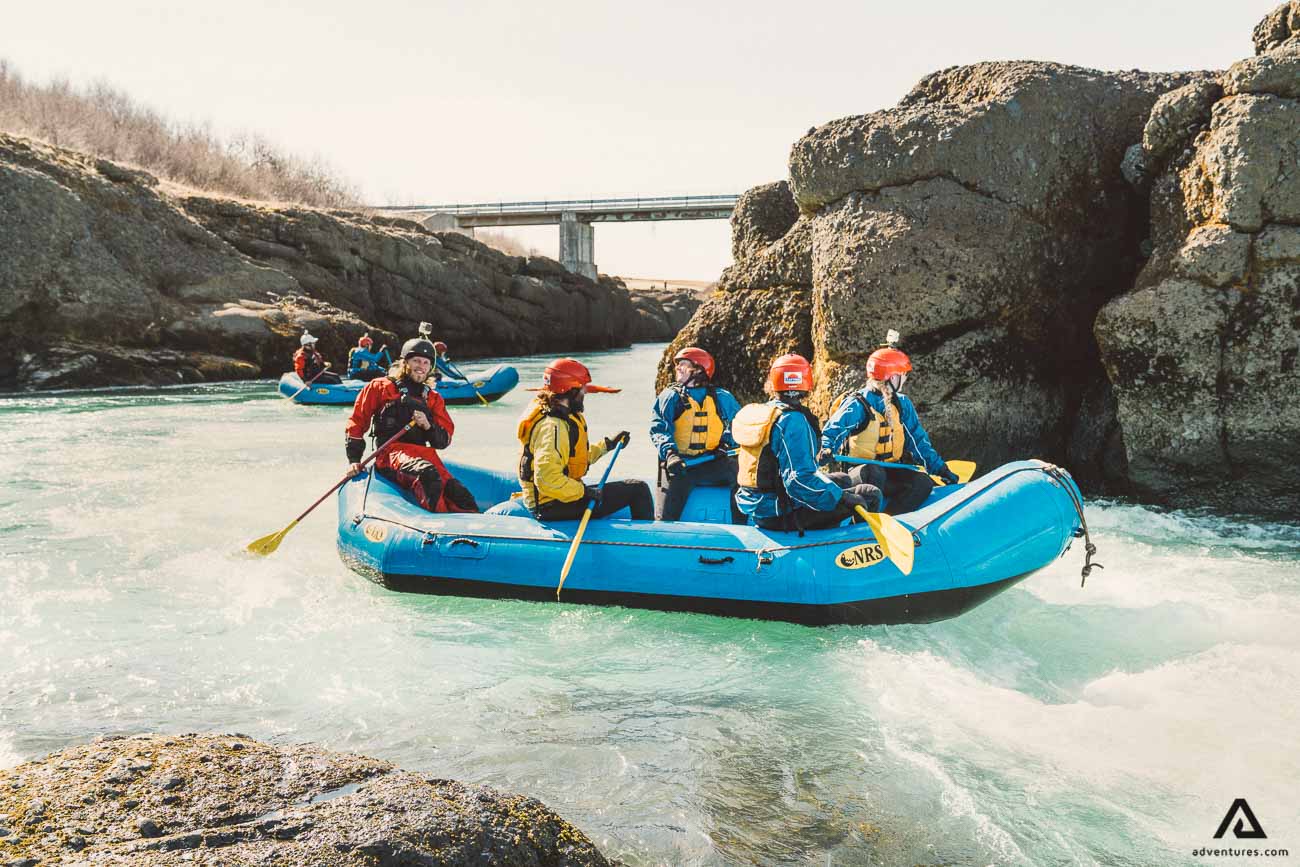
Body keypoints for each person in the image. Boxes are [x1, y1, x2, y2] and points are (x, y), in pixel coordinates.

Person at [733, 354, 881, 531]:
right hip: (781, 514)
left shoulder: (768, 412)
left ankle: (830, 526)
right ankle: (853, 547)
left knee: (842, 479)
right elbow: (797, 481)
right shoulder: (792, 421)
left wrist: (819, 460)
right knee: (869, 494)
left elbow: (776, 463)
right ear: (805, 382)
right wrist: (841, 498)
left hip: (761, 509)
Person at [818, 332, 958, 515]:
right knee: (875, 473)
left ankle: (891, 519)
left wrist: (940, 468)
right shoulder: (858, 404)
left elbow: (918, 441)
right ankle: (860, 525)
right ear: (892, 378)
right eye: (902, 375)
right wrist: (827, 448)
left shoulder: (902, 404)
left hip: (892, 470)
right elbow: (832, 431)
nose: (905, 379)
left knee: (922, 482)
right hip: (861, 474)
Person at [344, 338, 479, 513]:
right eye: (416, 360)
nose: (420, 366)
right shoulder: (381, 387)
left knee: (460, 494)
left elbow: (443, 441)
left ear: (430, 368)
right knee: (427, 474)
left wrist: (427, 425)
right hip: (390, 454)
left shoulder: (433, 398)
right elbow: (357, 421)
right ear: (405, 363)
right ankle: (437, 527)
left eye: (425, 362)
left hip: (424, 454)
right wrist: (354, 460)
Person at [517, 358, 654, 521]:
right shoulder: (552, 428)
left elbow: (574, 459)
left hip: (557, 498)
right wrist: (585, 492)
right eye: (582, 389)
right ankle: (650, 542)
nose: (585, 392)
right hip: (552, 506)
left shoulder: (561, 417)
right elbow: (547, 480)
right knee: (638, 489)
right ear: (570, 391)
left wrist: (608, 445)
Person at [649, 347, 745, 523]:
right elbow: (659, 428)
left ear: (699, 369)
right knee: (666, 516)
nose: (677, 368)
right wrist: (670, 454)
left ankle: (743, 528)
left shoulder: (721, 397)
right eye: (677, 365)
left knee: (743, 476)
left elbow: (740, 424)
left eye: (683, 365)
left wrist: (725, 442)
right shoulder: (670, 397)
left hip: (712, 461)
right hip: (679, 466)